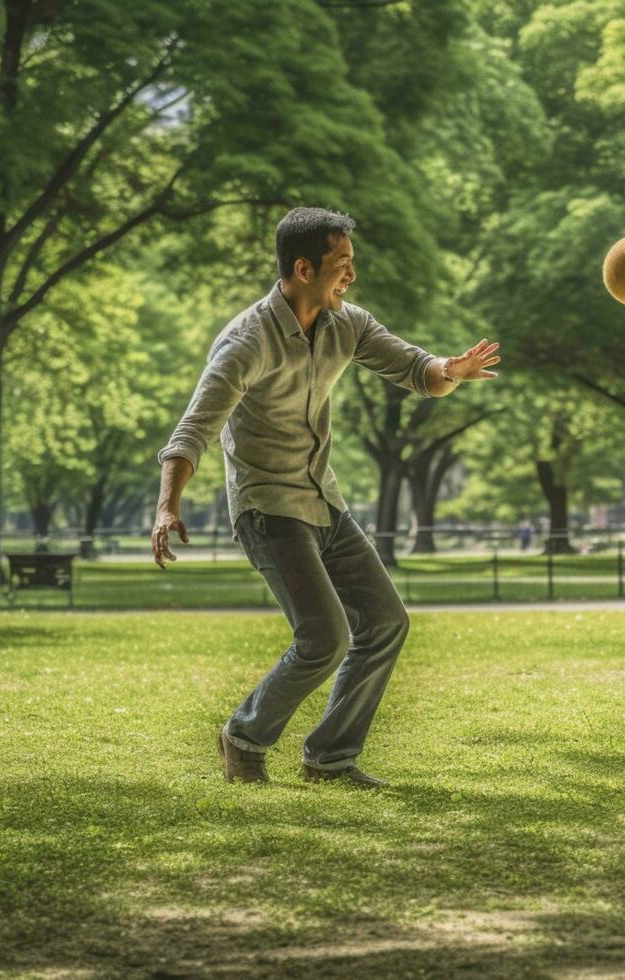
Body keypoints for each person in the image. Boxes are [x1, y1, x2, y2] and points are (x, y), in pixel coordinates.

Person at [151, 207, 500, 787]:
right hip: (268, 509)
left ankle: (330, 758)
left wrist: (452, 370)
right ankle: (243, 736)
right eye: (342, 265)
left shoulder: (347, 324)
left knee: (385, 622)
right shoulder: (246, 342)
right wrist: (167, 506)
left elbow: (416, 369)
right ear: (303, 267)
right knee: (323, 636)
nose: (351, 277)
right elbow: (192, 431)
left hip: (324, 502)